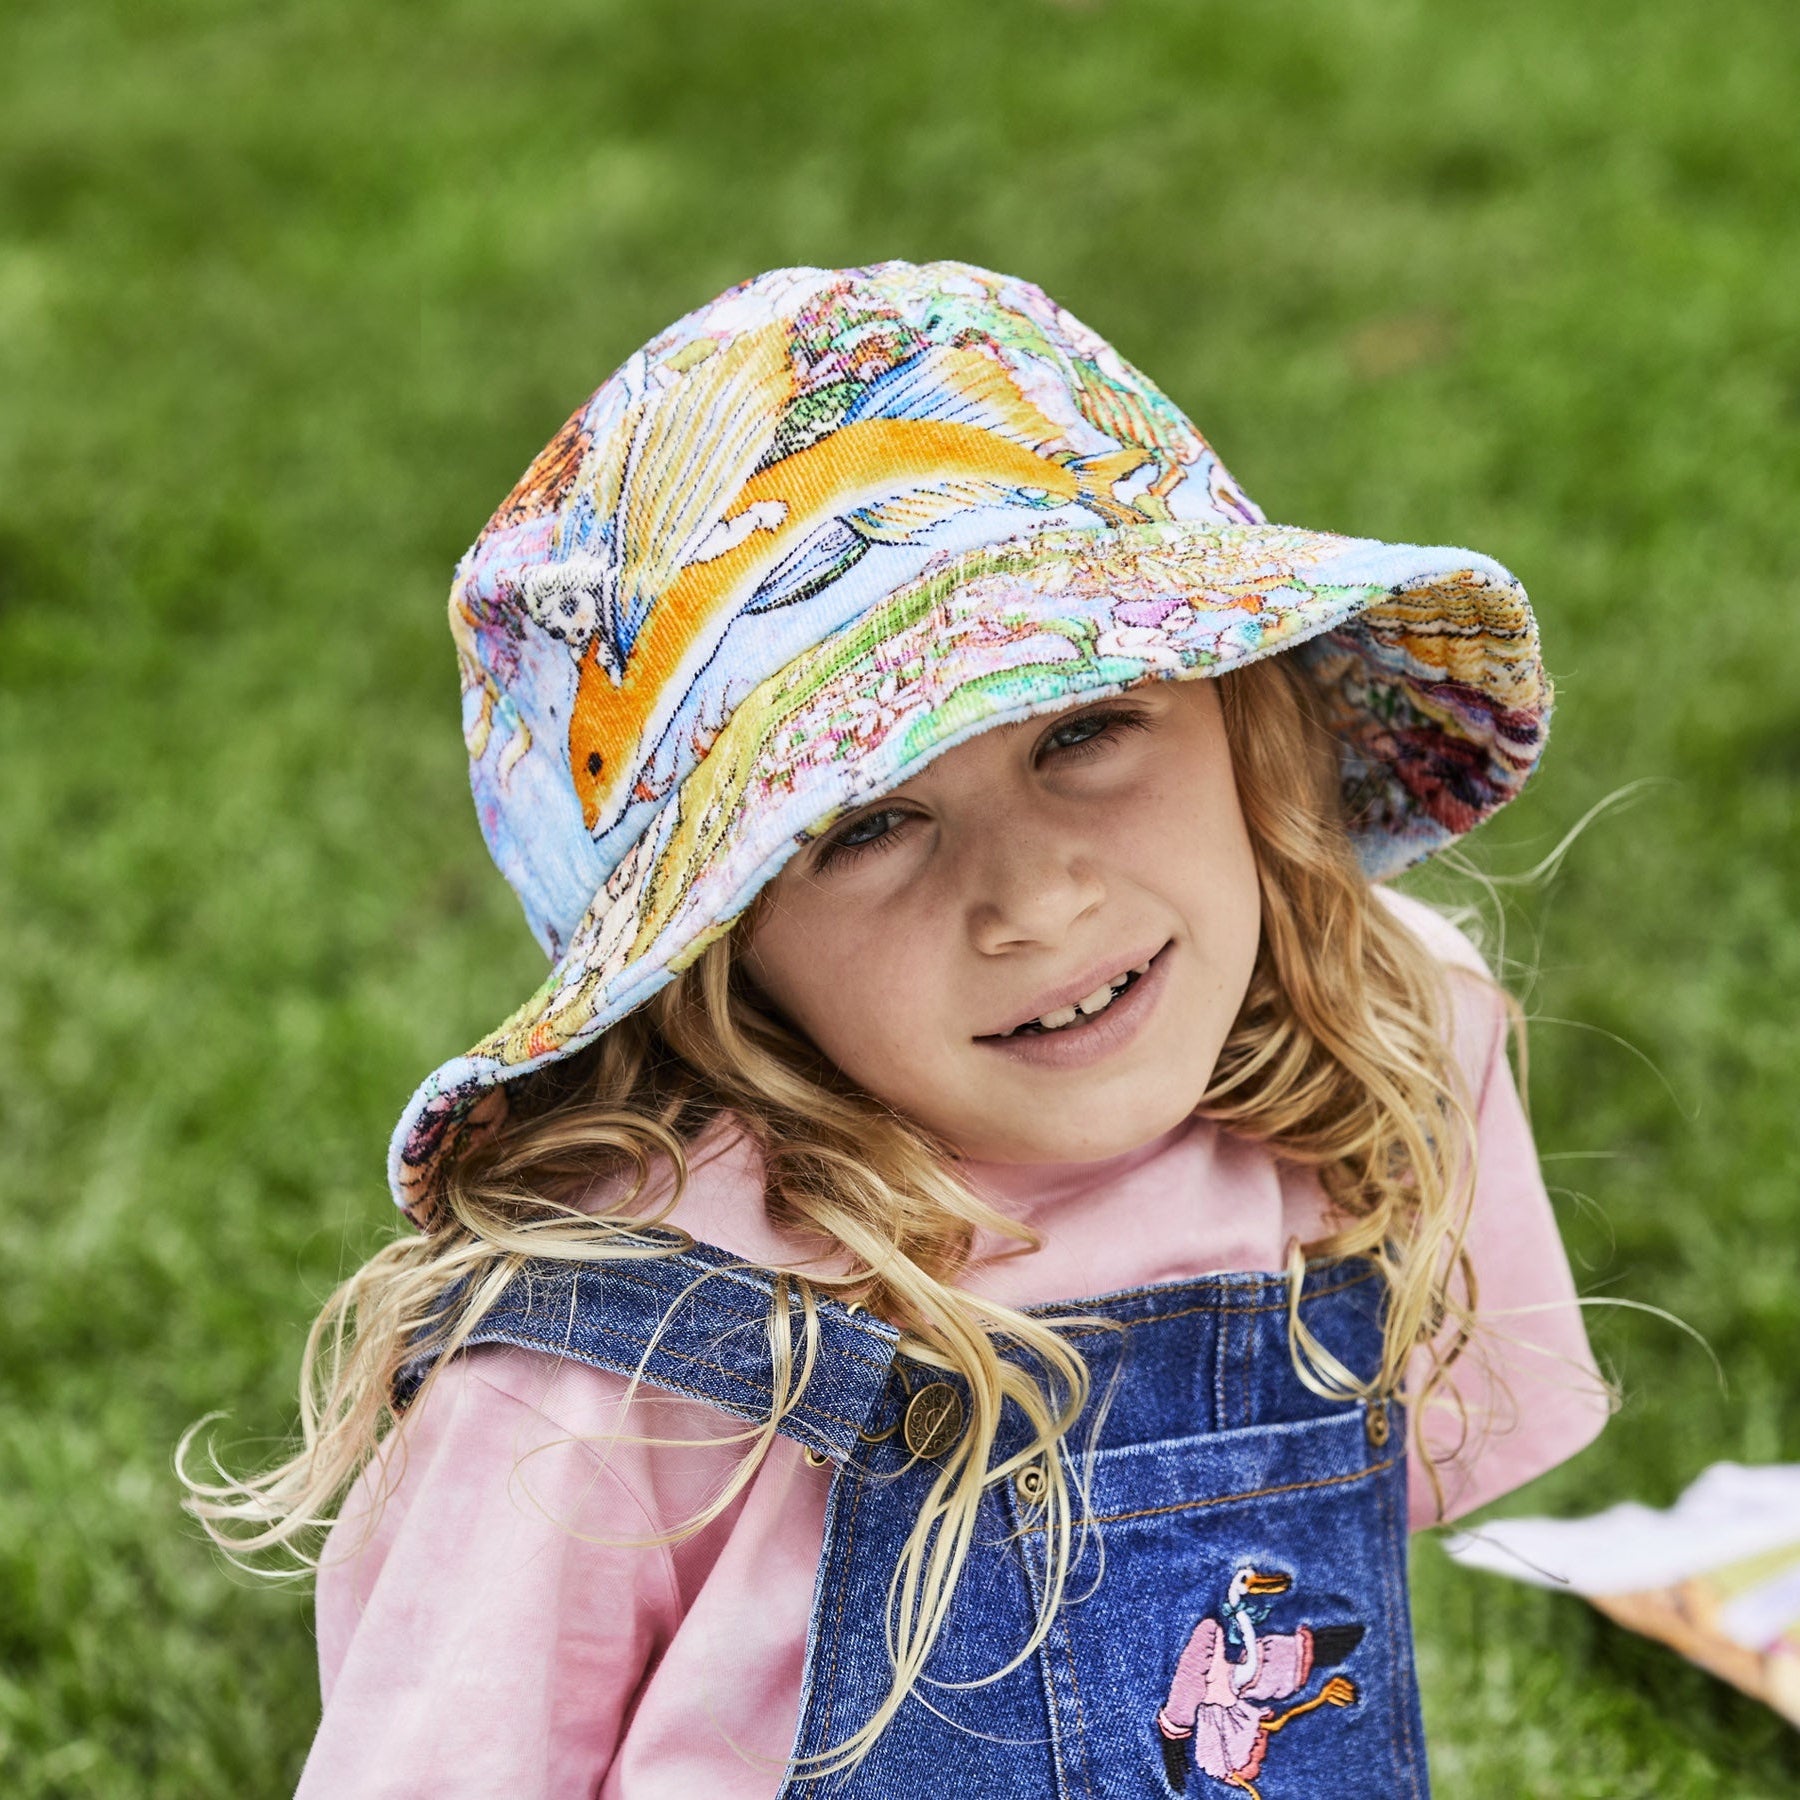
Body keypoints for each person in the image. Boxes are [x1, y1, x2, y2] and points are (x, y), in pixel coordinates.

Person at [184, 260, 1611, 1797]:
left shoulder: (1378, 1075)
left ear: (1245, 720)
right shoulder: (612, 1362)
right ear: (716, 955)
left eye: (1086, 730)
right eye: (867, 827)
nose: (1034, 901)